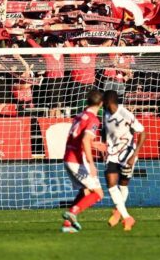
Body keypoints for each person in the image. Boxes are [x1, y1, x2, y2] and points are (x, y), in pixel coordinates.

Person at [61, 89, 105, 233]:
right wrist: (91, 164)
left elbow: (79, 138)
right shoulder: (94, 119)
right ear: (101, 104)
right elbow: (85, 140)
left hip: (67, 157)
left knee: (85, 191)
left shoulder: (79, 116)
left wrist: (95, 144)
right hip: (78, 160)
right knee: (98, 194)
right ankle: (73, 212)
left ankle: (68, 224)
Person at [101, 90, 145, 231]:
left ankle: (119, 212)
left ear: (109, 102)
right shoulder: (105, 114)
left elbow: (142, 132)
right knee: (110, 182)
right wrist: (104, 147)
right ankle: (127, 217)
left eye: (104, 101)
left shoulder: (125, 114)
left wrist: (134, 155)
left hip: (127, 155)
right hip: (112, 154)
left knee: (123, 185)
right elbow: (105, 131)